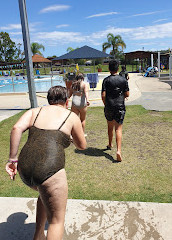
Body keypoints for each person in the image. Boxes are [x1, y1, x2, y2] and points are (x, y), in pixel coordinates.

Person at [5, 85, 86, 240]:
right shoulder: (71, 116)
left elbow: (16, 128)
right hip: (49, 168)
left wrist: (12, 159)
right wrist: (71, 136)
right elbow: (82, 145)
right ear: (66, 101)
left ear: (49, 100)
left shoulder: (34, 111)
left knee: (44, 195)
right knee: (56, 221)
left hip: (25, 168)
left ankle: (39, 235)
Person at [101, 60, 129, 162]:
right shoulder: (123, 80)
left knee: (110, 126)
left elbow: (103, 95)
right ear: (118, 69)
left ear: (109, 69)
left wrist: (106, 104)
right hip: (120, 106)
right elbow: (127, 94)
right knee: (118, 129)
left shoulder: (106, 80)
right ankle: (118, 151)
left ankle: (110, 144)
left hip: (109, 106)